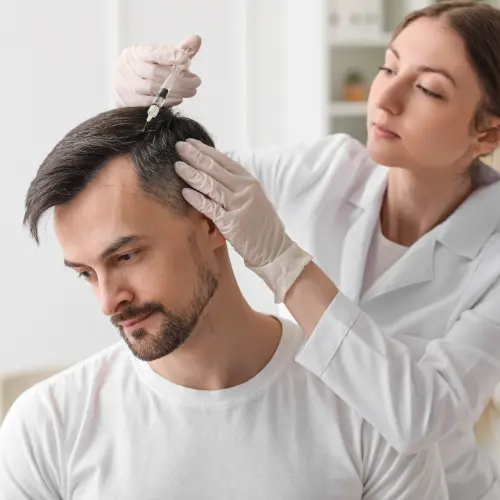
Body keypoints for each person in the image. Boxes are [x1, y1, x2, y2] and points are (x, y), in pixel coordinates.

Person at [113, 2, 500, 499]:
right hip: (308, 472)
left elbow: (418, 415)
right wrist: (138, 108)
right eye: (389, 67)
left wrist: (284, 263)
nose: (387, 99)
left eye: (428, 89)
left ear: (486, 132)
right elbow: (174, 182)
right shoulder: (326, 170)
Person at [0, 107, 446, 499]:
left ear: (214, 222)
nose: (108, 301)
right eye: (86, 273)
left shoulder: (365, 407)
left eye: (126, 256)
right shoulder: (49, 426)